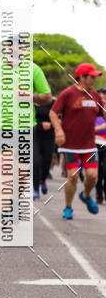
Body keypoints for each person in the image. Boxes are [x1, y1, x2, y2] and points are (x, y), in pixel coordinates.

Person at [0, 39, 52, 228]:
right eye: (10, 46)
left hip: (25, 128)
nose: (15, 50)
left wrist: (30, 96)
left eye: (20, 46)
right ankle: (5, 213)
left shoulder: (34, 70)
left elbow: (47, 97)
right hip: (0, 127)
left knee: (20, 173)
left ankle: (16, 204)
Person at [49, 63, 102, 219]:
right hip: (70, 145)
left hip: (89, 145)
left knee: (92, 176)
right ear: (82, 77)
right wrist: (59, 131)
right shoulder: (68, 94)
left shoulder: (96, 96)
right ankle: (68, 207)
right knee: (73, 176)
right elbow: (53, 113)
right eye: (92, 77)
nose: (94, 80)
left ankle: (85, 195)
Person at [34, 96, 55, 198]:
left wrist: (51, 124)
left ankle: (43, 179)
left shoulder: (53, 102)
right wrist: (40, 124)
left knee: (47, 161)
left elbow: (59, 118)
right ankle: (35, 189)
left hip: (49, 136)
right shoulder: (29, 102)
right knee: (36, 161)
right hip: (34, 135)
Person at [95, 87, 106, 205]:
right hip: (95, 142)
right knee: (97, 171)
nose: (104, 96)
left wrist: (96, 128)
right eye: (102, 94)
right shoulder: (94, 108)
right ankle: (99, 195)